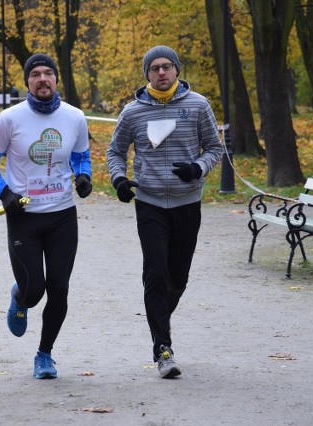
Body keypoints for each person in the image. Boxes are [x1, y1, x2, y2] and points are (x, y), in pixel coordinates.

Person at [106, 45, 222, 379]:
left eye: (167, 66)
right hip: (151, 202)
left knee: (177, 278)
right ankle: (163, 349)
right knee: (156, 273)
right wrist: (118, 180)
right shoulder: (132, 112)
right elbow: (115, 151)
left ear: (176, 70)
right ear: (147, 74)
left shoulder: (198, 106)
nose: (161, 72)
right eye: (154, 67)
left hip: (187, 202)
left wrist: (197, 168)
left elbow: (214, 148)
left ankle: (158, 319)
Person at [0, 53, 92, 380]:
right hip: (24, 216)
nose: (42, 79)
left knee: (59, 288)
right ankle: (20, 295)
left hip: (62, 216)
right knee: (34, 290)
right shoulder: (10, 118)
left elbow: (81, 157)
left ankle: (44, 355)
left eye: (48, 74)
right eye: (35, 75)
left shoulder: (74, 117)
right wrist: (4, 193)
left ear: (57, 80)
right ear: (27, 81)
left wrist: (84, 177)